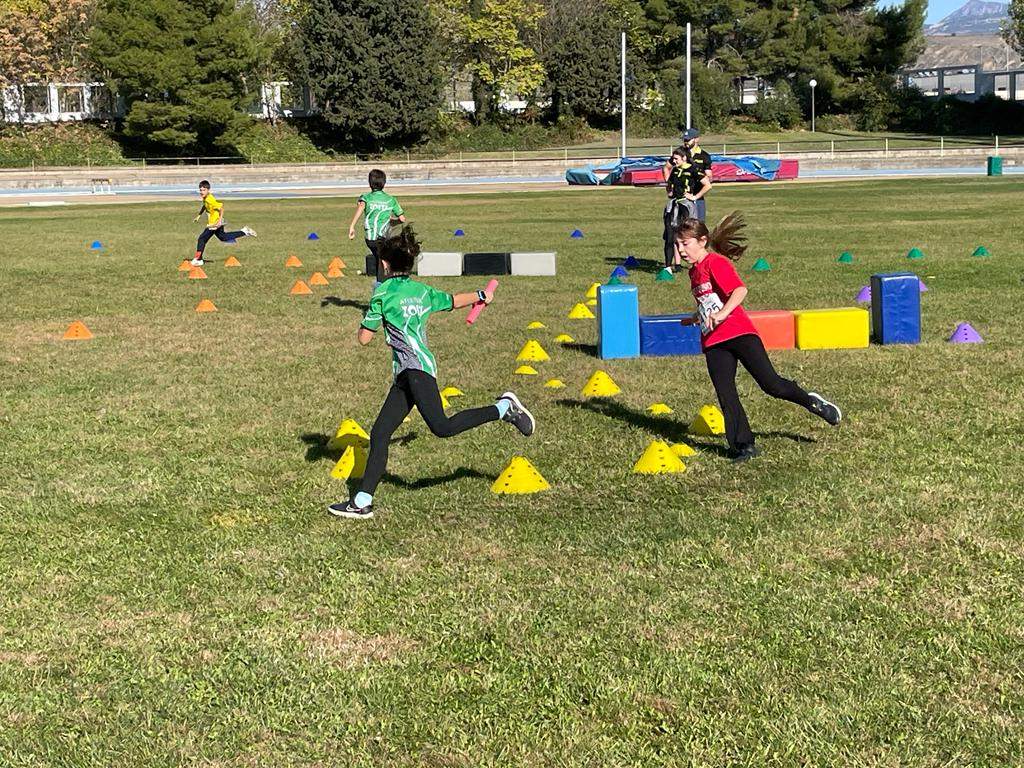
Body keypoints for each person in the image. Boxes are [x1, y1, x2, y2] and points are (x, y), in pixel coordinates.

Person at [328, 225, 536, 520]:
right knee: (380, 433)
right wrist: (480, 295)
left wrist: (371, 318)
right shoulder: (422, 292)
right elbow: (452, 301)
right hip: (409, 373)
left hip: (416, 372)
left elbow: (363, 338)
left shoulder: (382, 295)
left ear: (384, 265)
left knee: (443, 427)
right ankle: (362, 502)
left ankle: (503, 408)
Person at [674, 213, 842, 462]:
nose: (681, 250)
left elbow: (740, 291)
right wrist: (696, 316)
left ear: (702, 241)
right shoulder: (694, 273)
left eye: (685, 244)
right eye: (678, 245)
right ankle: (745, 446)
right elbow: (710, 302)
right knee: (726, 392)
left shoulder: (715, 263)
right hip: (713, 341)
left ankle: (811, 401)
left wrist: (722, 313)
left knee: (771, 384)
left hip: (739, 332)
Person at [662, 129, 712, 268]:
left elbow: (708, 179)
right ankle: (677, 264)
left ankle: (700, 261)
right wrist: (671, 187)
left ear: (696, 139)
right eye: (684, 140)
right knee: (675, 232)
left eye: (687, 140)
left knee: (696, 230)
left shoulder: (703, 156)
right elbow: (666, 168)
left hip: (695, 199)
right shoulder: (679, 154)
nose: (685, 142)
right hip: (679, 200)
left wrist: (696, 194)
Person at [348, 168, 406, 284]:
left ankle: (382, 283)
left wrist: (352, 226)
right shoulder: (391, 200)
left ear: (369, 183)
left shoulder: (366, 197)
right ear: (384, 183)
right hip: (384, 239)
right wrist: (392, 221)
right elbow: (402, 219)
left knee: (381, 260)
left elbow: (360, 209)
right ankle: (383, 286)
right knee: (384, 261)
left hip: (370, 238)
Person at [191, 180, 256, 266]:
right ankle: (244, 231)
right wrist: (199, 215)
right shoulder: (205, 198)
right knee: (223, 237)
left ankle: (198, 259)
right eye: (200, 190)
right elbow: (205, 206)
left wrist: (219, 221)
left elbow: (221, 208)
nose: (201, 192)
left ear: (208, 190)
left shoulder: (210, 200)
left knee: (202, 239)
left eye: (203, 190)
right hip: (215, 222)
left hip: (215, 223)